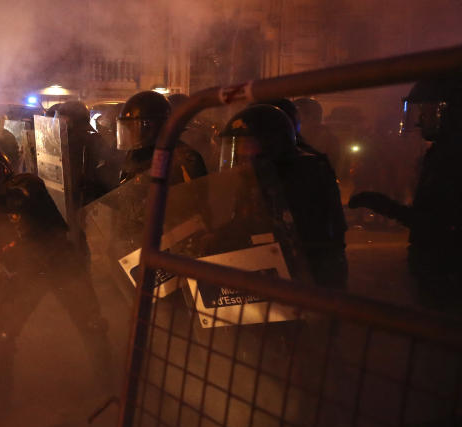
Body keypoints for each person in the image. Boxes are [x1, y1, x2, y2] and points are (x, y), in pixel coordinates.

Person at [0, 146, 114, 417]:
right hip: (24, 276)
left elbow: (16, 199)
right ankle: (1, 403)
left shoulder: (26, 185)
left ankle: (110, 387)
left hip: (61, 263)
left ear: (1, 171)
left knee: (91, 323)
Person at [349, 79, 462, 311]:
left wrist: (385, 206)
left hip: (446, 269)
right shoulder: (442, 152)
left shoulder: (451, 157)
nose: (420, 120)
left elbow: (436, 222)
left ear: (448, 111)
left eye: (427, 111)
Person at [218, 104, 348, 288]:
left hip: (306, 280)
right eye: (237, 147)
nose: (241, 155)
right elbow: (245, 220)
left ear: (271, 146)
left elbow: (297, 233)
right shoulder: (254, 179)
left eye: (248, 145)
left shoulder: (303, 177)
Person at [117, 90, 207, 184]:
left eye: (134, 129)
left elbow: (195, 194)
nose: (131, 134)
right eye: (129, 129)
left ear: (152, 127)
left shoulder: (185, 159)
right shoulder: (134, 154)